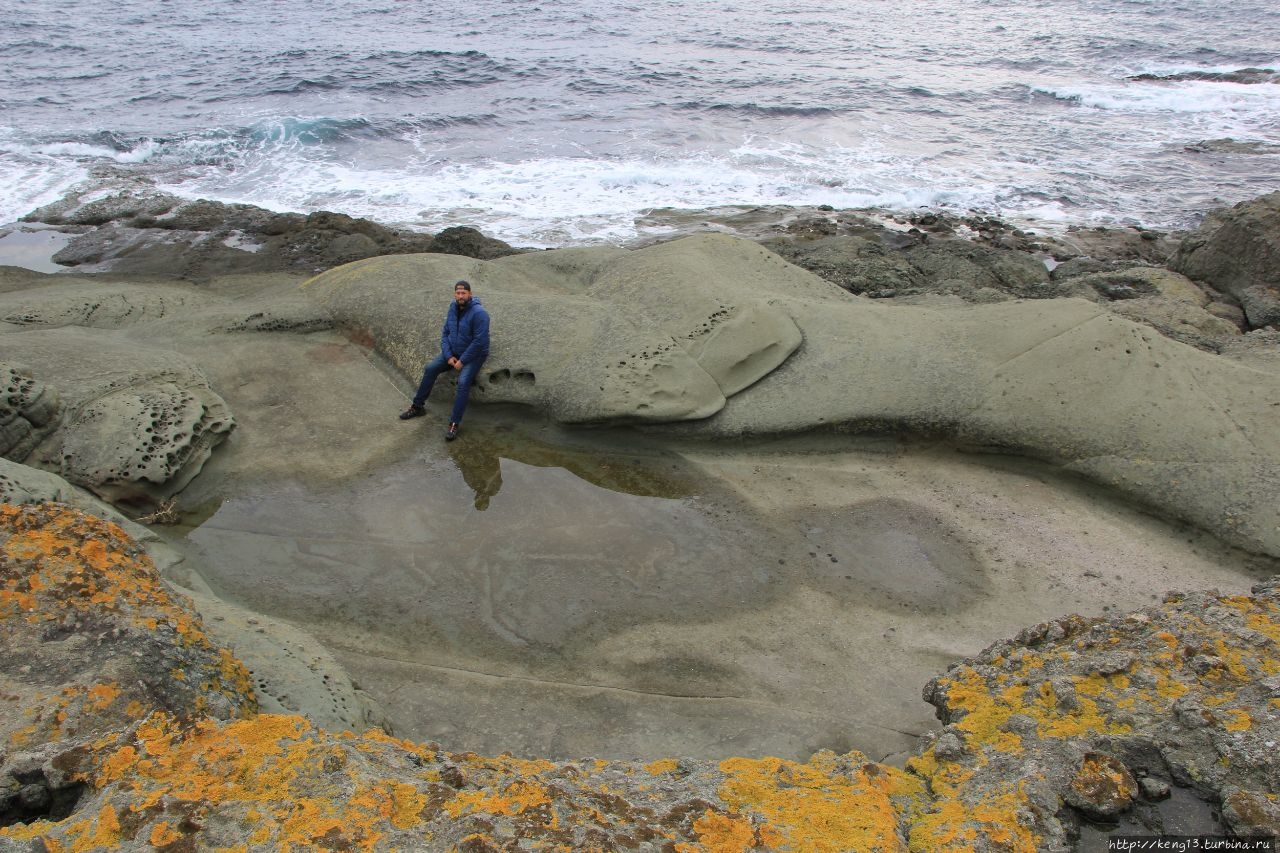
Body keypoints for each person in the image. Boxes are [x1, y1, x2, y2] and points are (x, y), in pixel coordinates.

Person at [399, 280, 490, 440]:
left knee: (463, 382)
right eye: (458, 293)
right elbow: (445, 333)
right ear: (455, 294)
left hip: (474, 355)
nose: (460, 296)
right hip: (453, 352)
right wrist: (448, 356)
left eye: (463, 293)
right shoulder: (452, 308)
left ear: (470, 294)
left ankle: (454, 423)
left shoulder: (479, 313)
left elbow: (479, 342)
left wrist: (462, 361)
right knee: (430, 368)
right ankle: (417, 407)